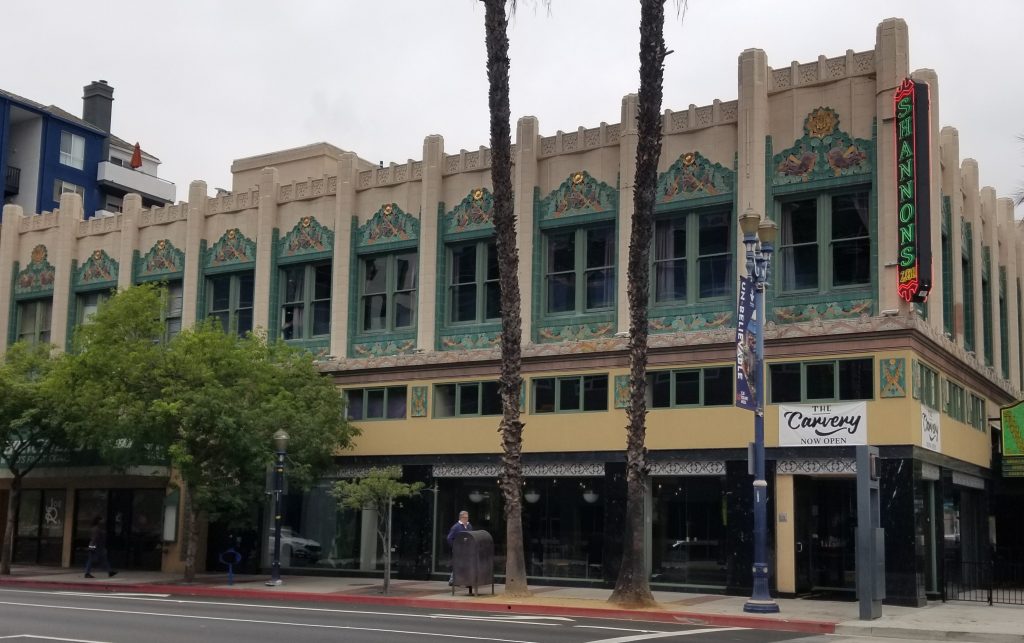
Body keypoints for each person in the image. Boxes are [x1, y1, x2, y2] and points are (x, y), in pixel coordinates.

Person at [446, 510, 472, 594]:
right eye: (465, 517)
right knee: (459, 565)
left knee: (466, 565)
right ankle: (452, 580)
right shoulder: (456, 527)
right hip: (459, 550)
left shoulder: (469, 526)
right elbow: (449, 538)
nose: (466, 519)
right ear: (461, 518)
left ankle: (466, 581)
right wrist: (455, 547)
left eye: (467, 517)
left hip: (467, 550)